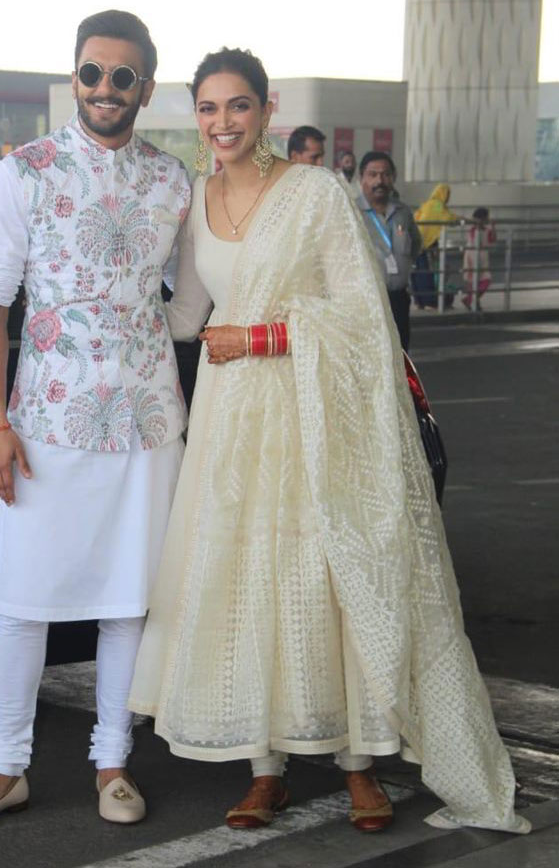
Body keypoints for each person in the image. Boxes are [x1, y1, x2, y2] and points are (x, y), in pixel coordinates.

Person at [129, 47, 529, 838]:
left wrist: (261, 336)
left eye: (237, 105)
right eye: (207, 108)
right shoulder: (197, 198)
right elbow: (186, 314)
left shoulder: (314, 192)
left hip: (309, 413)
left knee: (325, 571)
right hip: (229, 422)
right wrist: (96, 301)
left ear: (265, 109)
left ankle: (357, 762)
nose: (222, 122)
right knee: (247, 575)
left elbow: (360, 317)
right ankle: (264, 766)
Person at [0, 10, 191, 831]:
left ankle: (112, 761)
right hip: (44, 419)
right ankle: (5, 768)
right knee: (22, 600)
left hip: (149, 420)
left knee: (128, 603)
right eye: (91, 72)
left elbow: (191, 300)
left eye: (122, 76)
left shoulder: (174, 181)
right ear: (74, 76)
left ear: (145, 86)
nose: (104, 88)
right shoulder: (22, 173)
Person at [356, 151, 421, 351]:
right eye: (373, 175)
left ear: (393, 178)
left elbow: (416, 244)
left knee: (400, 355)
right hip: (366, 302)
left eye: (385, 174)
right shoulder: (352, 213)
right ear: (361, 178)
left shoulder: (403, 212)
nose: (379, 181)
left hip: (398, 298)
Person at [414, 184, 460, 310]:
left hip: (416, 241)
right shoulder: (437, 205)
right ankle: (429, 302)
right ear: (443, 193)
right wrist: (463, 219)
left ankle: (419, 301)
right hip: (424, 243)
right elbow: (448, 218)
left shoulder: (427, 204)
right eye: (448, 194)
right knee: (425, 273)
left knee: (417, 272)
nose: (448, 197)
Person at [462, 207, 496, 310]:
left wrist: (493, 227)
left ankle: (470, 300)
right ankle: (473, 302)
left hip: (483, 258)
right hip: (472, 258)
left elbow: (493, 240)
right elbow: (477, 242)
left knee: (486, 279)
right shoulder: (473, 229)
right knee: (473, 281)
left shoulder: (487, 229)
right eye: (486, 217)